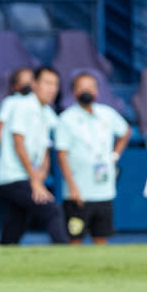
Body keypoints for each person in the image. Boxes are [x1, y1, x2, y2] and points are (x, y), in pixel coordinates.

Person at [55, 72, 131, 245]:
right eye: (81, 87)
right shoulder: (66, 119)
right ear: (74, 92)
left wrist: (115, 154)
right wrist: (72, 188)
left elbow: (126, 131)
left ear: (97, 91)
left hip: (104, 190)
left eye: (90, 87)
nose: (86, 91)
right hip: (78, 193)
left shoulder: (107, 114)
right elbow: (62, 156)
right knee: (75, 238)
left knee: (102, 238)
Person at [0, 67, 68, 245]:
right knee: (51, 210)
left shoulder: (46, 112)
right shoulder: (23, 105)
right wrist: (35, 180)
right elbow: (18, 142)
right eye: (47, 83)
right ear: (34, 84)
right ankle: (68, 257)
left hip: (29, 177)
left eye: (55, 84)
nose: (52, 89)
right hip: (13, 177)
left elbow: (45, 149)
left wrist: (41, 174)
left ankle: (2, 259)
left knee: (14, 226)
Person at [0, 67, 34, 170]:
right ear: (15, 86)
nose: (28, 85)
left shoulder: (38, 104)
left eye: (30, 81)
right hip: (14, 159)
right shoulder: (10, 102)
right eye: (24, 82)